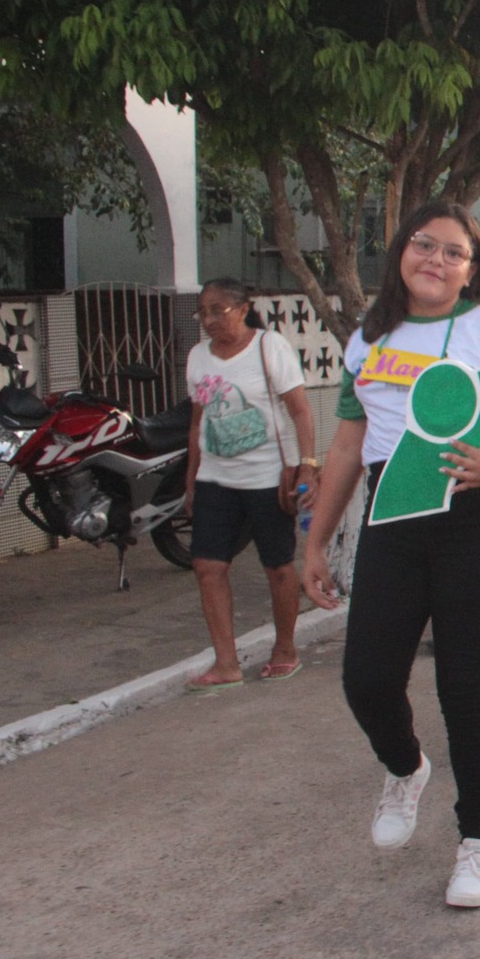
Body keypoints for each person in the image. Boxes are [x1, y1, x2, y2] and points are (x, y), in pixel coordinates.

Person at [302, 203, 480, 910]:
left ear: (474, 270)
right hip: (395, 510)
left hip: (477, 513)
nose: (435, 261)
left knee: (464, 689)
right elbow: (350, 443)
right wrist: (315, 539)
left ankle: (478, 841)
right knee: (367, 677)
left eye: (454, 252)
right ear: (401, 253)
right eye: (425, 246)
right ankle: (406, 766)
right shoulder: (370, 336)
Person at [182, 279, 318, 691]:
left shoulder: (268, 348)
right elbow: (197, 423)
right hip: (216, 479)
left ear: (243, 309)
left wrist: (307, 467)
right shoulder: (198, 357)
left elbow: (300, 412)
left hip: (267, 479)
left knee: (277, 566)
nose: (209, 320)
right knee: (207, 566)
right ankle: (226, 663)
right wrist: (191, 479)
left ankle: (285, 648)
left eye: (217, 310)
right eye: (203, 312)